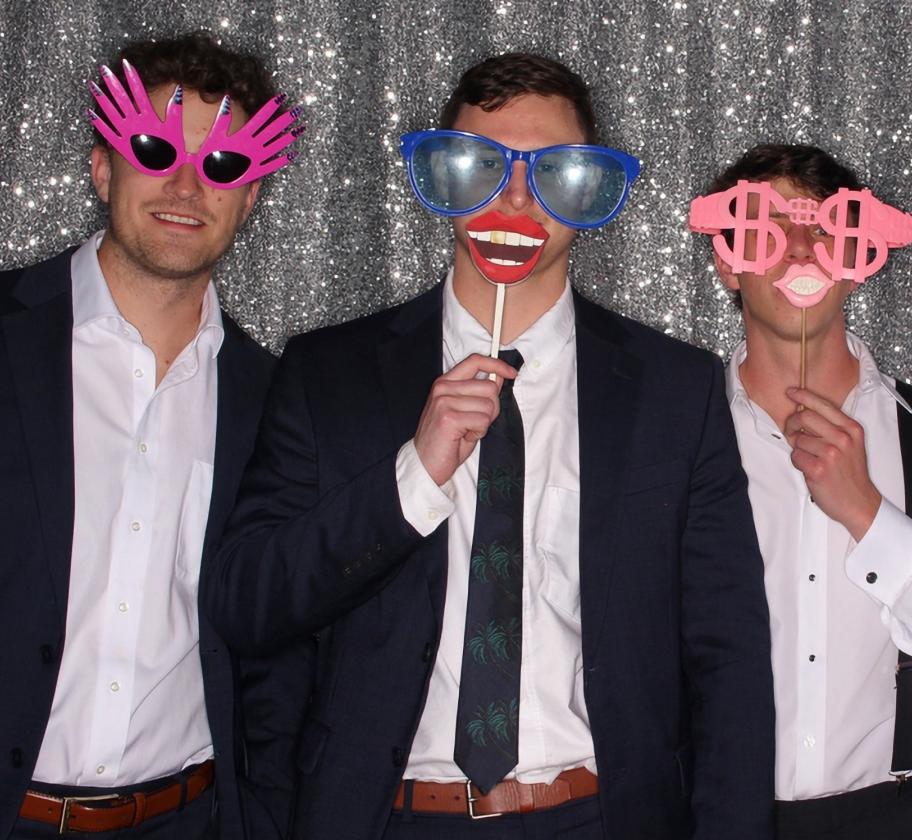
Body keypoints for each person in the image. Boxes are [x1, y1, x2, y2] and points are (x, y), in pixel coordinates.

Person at [204, 52, 775, 839]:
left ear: (590, 194)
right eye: (481, 166)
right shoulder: (325, 374)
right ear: (442, 179)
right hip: (389, 818)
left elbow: (729, 655)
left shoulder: (675, 389)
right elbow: (247, 605)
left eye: (553, 175)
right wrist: (413, 476)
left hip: (601, 814)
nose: (514, 199)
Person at [0, 31, 298, 839]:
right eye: (153, 149)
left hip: (190, 818)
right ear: (102, 166)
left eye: (223, 165)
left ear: (251, 196)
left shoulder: (274, 399)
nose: (186, 184)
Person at [691, 144, 912, 839]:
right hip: (706, 817)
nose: (800, 251)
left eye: (826, 230)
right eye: (767, 226)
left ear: (860, 259)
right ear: (727, 261)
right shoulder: (677, 436)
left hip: (888, 820)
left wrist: (867, 513)